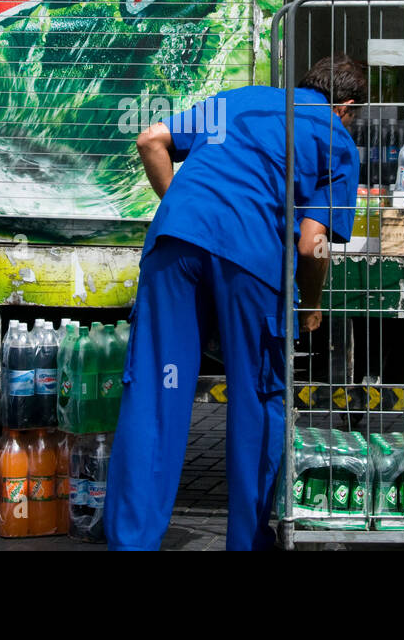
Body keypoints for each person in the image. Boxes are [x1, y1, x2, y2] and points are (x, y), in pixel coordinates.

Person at [106, 54, 364, 551]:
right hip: (252, 259)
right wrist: (310, 304)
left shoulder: (238, 100)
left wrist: (188, 212)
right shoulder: (335, 138)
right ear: (346, 106)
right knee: (257, 395)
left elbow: (151, 141)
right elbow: (312, 243)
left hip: (175, 246)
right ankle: (246, 542)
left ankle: (131, 540)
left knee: (158, 387)